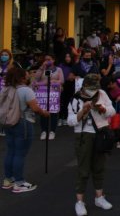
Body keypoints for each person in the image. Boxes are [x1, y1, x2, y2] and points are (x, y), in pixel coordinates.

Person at [67, 74, 115, 216]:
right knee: (83, 169)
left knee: (99, 166)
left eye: (96, 88)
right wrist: (83, 111)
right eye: (91, 88)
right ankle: (80, 201)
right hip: (83, 135)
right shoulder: (75, 99)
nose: (94, 91)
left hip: (100, 133)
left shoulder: (102, 93)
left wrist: (103, 109)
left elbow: (112, 111)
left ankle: (99, 197)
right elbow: (70, 121)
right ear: (84, 86)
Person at [2, 67, 50, 193]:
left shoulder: (7, 88)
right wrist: (44, 113)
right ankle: (19, 182)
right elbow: (35, 108)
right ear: (22, 77)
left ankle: (8, 179)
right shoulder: (26, 90)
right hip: (23, 123)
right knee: (20, 153)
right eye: (27, 74)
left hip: (8, 122)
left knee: (11, 151)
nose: (29, 75)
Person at [33, 54, 64, 140]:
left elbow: (61, 81)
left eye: (49, 59)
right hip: (43, 94)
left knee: (53, 113)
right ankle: (44, 131)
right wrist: (41, 68)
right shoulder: (42, 69)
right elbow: (36, 78)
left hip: (54, 94)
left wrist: (53, 81)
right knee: (43, 112)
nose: (47, 61)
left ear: (53, 60)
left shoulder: (58, 69)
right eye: (45, 59)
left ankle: (52, 131)